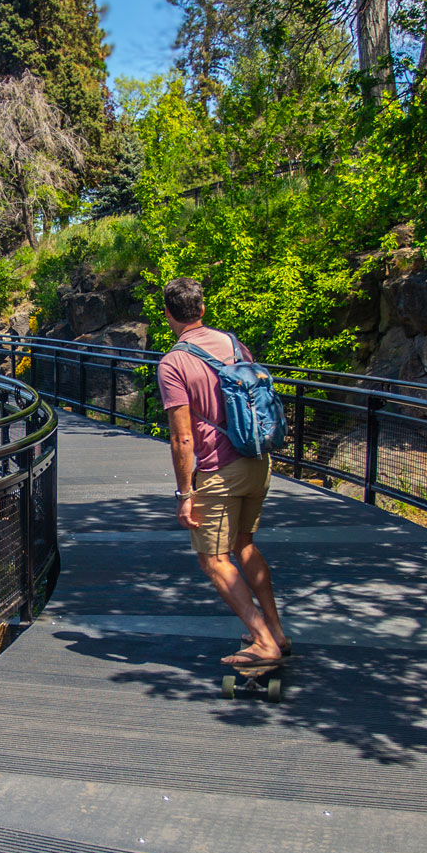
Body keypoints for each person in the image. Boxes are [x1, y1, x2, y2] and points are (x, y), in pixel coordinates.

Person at [157, 277, 289, 669]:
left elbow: (183, 439)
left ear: (168, 315)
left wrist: (185, 494)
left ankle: (263, 641)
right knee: (244, 544)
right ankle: (276, 630)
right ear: (202, 309)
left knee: (213, 559)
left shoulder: (174, 363)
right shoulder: (234, 344)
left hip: (219, 471)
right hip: (257, 460)